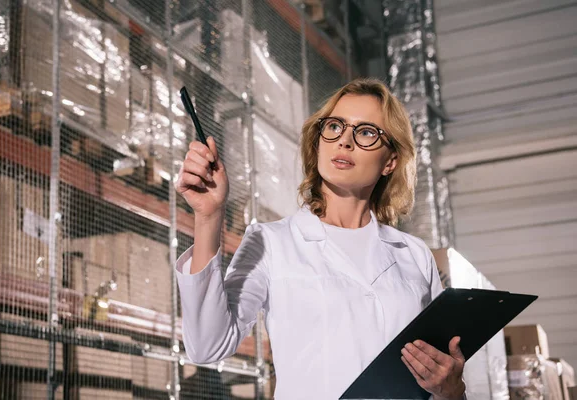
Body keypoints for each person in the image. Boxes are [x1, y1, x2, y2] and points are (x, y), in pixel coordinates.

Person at [175, 78, 466, 400]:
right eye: (335, 127)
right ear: (318, 142)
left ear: (390, 161)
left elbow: (440, 372)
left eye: (367, 132)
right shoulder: (271, 242)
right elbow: (207, 346)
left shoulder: (414, 255)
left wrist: (452, 391)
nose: (345, 141)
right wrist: (208, 217)